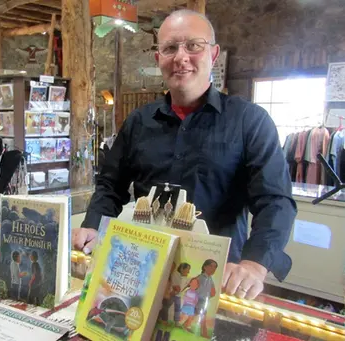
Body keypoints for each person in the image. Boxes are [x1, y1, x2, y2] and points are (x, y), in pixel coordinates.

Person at [73, 9, 297, 300]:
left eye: (193, 45)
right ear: (158, 59)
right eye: (169, 48)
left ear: (213, 54)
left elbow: (275, 201)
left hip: (215, 282)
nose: (181, 57)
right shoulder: (138, 122)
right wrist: (92, 224)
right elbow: (110, 186)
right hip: (138, 272)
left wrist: (255, 264)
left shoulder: (250, 122)